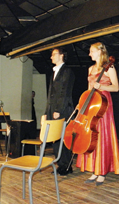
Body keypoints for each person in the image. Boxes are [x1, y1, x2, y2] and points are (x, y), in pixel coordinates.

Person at [76, 42, 119, 186]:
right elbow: (88, 89)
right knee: (91, 136)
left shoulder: (110, 67)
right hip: (92, 104)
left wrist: (101, 86)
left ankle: (102, 171)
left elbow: (116, 88)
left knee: (102, 135)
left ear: (100, 51)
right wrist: (82, 103)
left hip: (103, 104)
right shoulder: (90, 68)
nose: (89, 54)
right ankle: (94, 169)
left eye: (91, 51)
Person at [42, 47, 75, 175]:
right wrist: (46, 112)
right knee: (55, 138)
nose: (51, 57)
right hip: (53, 109)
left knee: (63, 138)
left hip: (62, 110)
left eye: (54, 54)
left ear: (61, 55)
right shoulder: (53, 72)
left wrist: (58, 110)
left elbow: (65, 92)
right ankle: (60, 164)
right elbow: (50, 94)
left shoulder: (67, 71)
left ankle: (67, 166)